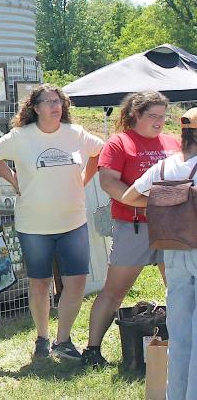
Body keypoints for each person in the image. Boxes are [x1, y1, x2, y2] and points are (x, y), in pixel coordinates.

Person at [0, 84, 104, 360]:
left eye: (58, 101)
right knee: (39, 283)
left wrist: (86, 177)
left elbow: (100, 151)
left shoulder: (76, 134)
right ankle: (42, 337)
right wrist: (12, 179)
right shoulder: (21, 136)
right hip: (34, 226)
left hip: (73, 221)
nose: (55, 106)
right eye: (48, 101)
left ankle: (63, 340)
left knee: (76, 282)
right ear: (35, 108)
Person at [83, 91, 178, 367]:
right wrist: (148, 202)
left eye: (163, 116)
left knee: (178, 287)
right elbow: (109, 183)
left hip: (171, 227)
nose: (160, 122)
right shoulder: (119, 143)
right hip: (133, 226)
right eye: (153, 116)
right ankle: (92, 350)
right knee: (114, 291)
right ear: (135, 114)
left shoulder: (172, 142)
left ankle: (179, 343)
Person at [120, 107, 197, 400]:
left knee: (179, 333)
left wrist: (162, 203)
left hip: (172, 249)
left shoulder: (165, 167)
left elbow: (130, 197)